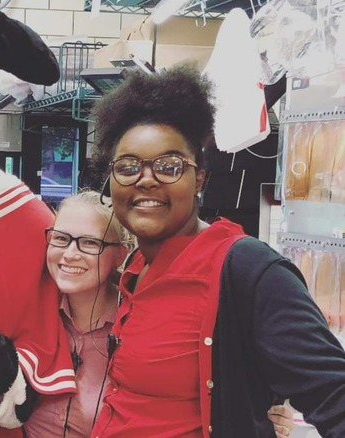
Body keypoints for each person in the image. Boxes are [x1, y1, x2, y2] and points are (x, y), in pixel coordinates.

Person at [86, 65, 345, 437]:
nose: (145, 178)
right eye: (127, 167)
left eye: (169, 166)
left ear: (200, 180)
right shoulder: (135, 266)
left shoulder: (248, 271)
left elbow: (334, 395)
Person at [20, 190, 296, 438]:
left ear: (121, 254)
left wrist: (258, 413)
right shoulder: (24, 313)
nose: (70, 253)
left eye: (90, 243)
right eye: (61, 238)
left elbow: (206, 392)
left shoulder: (144, 329)